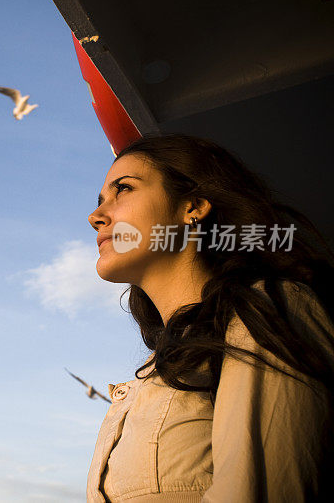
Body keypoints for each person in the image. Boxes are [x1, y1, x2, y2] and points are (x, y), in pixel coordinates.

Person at [85, 134, 334, 502]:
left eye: (123, 189)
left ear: (193, 207)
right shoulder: (155, 374)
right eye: (100, 200)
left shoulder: (264, 310)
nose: (96, 217)